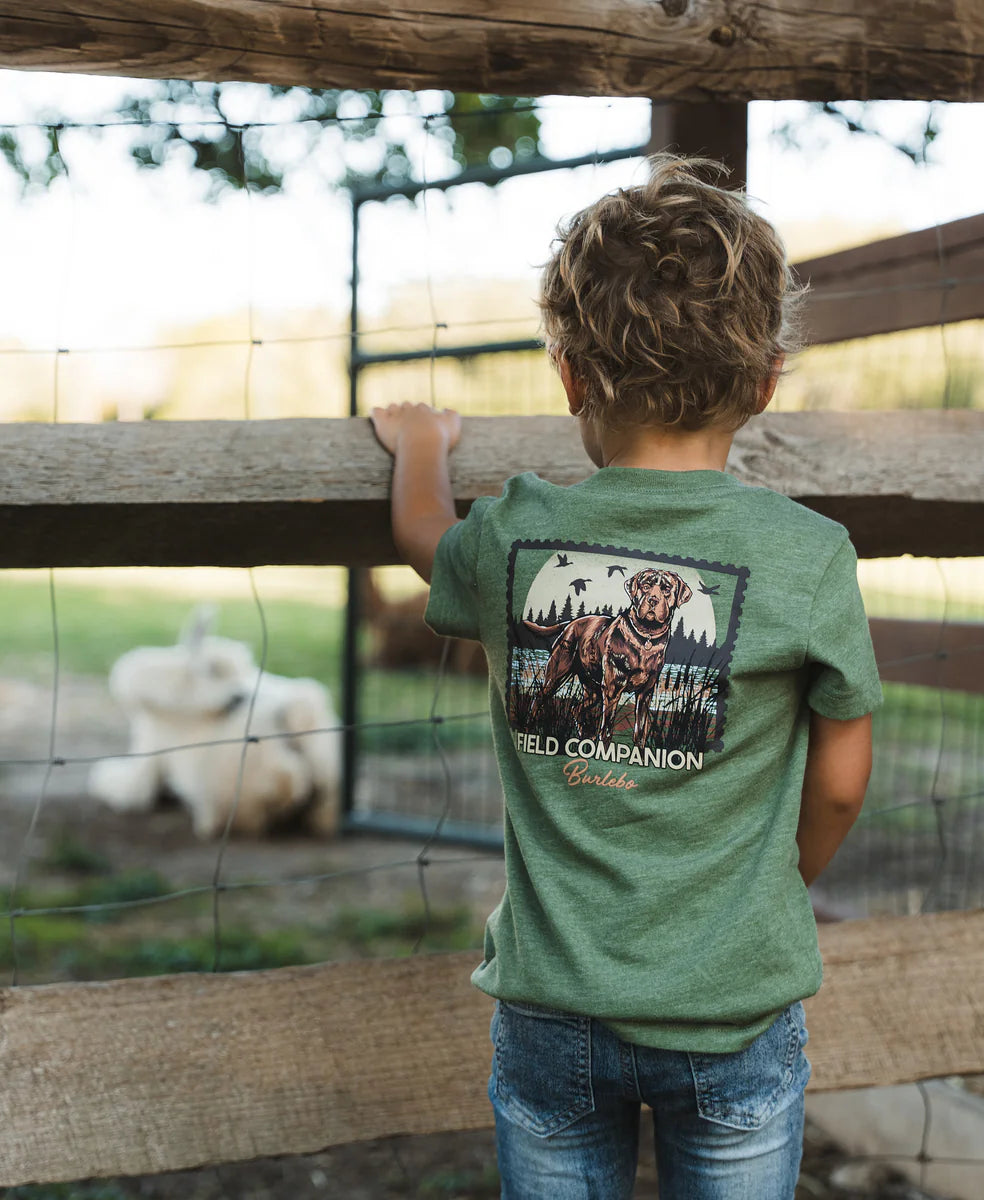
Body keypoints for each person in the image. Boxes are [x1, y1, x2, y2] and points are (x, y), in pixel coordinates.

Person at [369, 155, 882, 1200]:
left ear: (569, 376)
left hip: (557, 1011)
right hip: (734, 1011)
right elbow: (839, 779)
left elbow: (428, 538)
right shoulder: (810, 553)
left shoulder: (517, 532)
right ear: (766, 379)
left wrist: (420, 444)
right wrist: (772, 894)